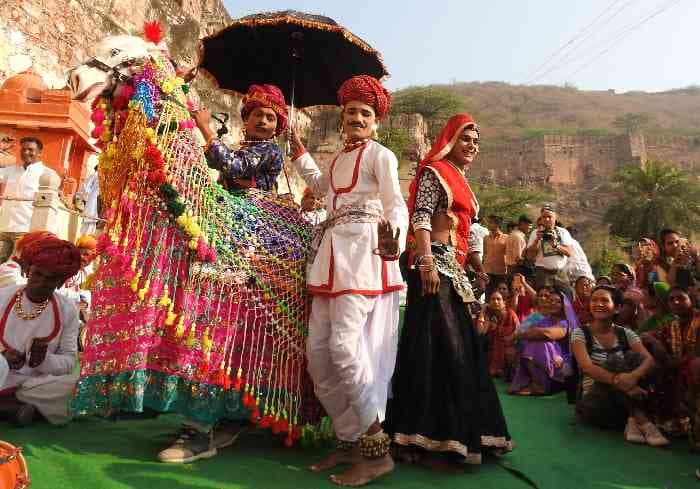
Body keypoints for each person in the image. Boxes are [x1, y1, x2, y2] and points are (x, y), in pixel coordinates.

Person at [289, 75, 408, 486]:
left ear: (375, 122)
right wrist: (299, 151)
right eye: (351, 112)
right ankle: (347, 439)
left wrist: (395, 239)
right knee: (318, 355)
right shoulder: (339, 157)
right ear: (342, 120)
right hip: (329, 260)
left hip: (364, 257)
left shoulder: (382, 156)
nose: (356, 117)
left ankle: (376, 450)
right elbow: (323, 189)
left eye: (365, 113)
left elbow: (396, 205)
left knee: (344, 348)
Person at [385, 113, 512, 470]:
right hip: (432, 266)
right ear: (449, 140)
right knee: (436, 344)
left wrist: (476, 265)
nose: (472, 145)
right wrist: (425, 262)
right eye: (466, 139)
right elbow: (422, 217)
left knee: (461, 345)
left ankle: (461, 433)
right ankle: (420, 435)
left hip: (454, 269)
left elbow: (466, 231)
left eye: (476, 141)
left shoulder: (464, 184)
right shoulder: (433, 172)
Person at [0, 232, 81, 426]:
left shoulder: (68, 309)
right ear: (27, 270)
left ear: (60, 282)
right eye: (37, 274)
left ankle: (10, 406)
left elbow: (69, 361)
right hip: (1, 370)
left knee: (77, 387)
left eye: (50, 279)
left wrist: (44, 360)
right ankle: (11, 408)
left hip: (33, 383)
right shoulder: (3, 296)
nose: (41, 283)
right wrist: (4, 356)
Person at [572, 286, 667, 446]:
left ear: (616, 308)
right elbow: (587, 367)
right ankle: (643, 421)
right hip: (596, 405)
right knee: (613, 361)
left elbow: (649, 360)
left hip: (621, 406)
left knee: (634, 358)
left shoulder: (626, 333)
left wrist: (632, 377)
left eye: (604, 300)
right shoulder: (580, 333)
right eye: (594, 300)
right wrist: (620, 382)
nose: (598, 304)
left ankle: (632, 420)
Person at [192, 84, 287, 193]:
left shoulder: (271, 150)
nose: (263, 121)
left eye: (270, 118)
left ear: (275, 129)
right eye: (258, 114)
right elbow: (215, 160)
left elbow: (233, 165)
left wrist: (204, 126)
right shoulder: (244, 149)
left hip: (248, 209)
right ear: (246, 120)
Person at [645, 286, 700, 441]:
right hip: (677, 368)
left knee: (694, 365)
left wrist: (671, 363)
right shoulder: (672, 324)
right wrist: (655, 342)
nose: (676, 302)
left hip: (693, 368)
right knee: (651, 362)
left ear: (691, 299)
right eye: (671, 300)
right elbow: (648, 335)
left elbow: (695, 353)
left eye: (681, 298)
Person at [509, 286, 579, 395]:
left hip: (563, 363)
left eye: (558, 302)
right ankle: (535, 382)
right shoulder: (544, 320)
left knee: (541, 344)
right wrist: (530, 333)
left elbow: (548, 334)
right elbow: (525, 333)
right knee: (529, 344)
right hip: (550, 361)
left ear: (564, 305)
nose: (553, 303)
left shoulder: (567, 323)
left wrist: (531, 333)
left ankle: (541, 385)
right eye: (551, 300)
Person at [0, 137, 60, 263]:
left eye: (30, 149)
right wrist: (1, 148)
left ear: (39, 152)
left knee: (15, 268)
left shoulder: (47, 174)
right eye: (23, 149)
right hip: (4, 228)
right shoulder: (11, 171)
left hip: (25, 230)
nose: (26, 152)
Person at [525, 205, 574, 292]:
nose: (547, 219)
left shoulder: (563, 232)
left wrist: (556, 246)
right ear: (541, 218)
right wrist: (537, 239)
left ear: (555, 218)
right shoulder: (535, 233)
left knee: (565, 299)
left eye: (549, 217)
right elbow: (530, 257)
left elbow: (569, 253)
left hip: (560, 273)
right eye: (544, 217)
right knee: (544, 300)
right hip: (542, 273)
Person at [484, 289, 520, 378]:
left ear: (504, 302)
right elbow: (482, 332)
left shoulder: (511, 315)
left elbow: (518, 332)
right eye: (492, 299)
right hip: (492, 351)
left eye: (498, 299)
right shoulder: (489, 314)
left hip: (510, 349)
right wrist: (482, 312)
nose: (495, 301)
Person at [482, 215, 507, 296]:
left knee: (499, 294)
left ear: (497, 224)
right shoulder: (486, 238)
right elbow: (485, 253)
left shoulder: (506, 238)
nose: (488, 224)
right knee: (488, 294)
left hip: (500, 271)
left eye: (490, 222)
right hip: (488, 271)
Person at [74, 160, 101, 235]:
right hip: (92, 200)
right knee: (89, 218)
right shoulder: (95, 175)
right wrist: (81, 197)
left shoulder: (99, 176)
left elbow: (85, 188)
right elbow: (86, 188)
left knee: (92, 219)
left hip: (95, 200)